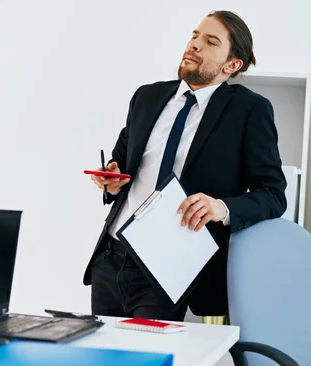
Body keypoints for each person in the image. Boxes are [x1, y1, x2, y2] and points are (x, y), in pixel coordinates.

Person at [84, 10, 287, 321]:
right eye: (194, 35)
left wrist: (221, 207)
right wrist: (110, 179)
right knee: (103, 364)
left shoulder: (249, 110)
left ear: (231, 65)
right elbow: (122, 164)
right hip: (112, 256)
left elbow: (273, 194)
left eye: (210, 41)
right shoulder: (147, 97)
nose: (194, 44)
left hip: (170, 265)